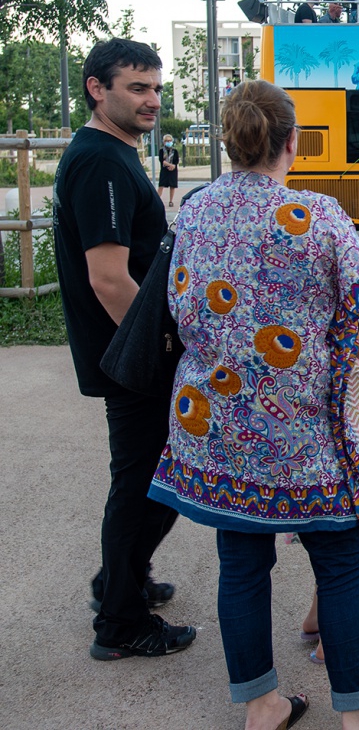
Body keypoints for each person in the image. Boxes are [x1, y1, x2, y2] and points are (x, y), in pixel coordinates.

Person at [146, 80, 359, 730]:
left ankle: (261, 707)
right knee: (342, 560)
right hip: (303, 434)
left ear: (228, 140)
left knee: (242, 563)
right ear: (292, 142)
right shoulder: (319, 214)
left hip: (216, 427)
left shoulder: (194, 209)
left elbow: (182, 305)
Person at [52, 38, 196, 661]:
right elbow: (109, 279)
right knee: (146, 483)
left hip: (129, 354)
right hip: (131, 359)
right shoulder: (101, 162)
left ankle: (121, 580)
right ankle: (119, 622)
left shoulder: (111, 153)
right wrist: (158, 351)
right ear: (97, 88)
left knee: (156, 476)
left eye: (156, 88)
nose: (152, 100)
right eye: (137, 88)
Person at [301, 287, 359, 665]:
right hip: (347, 446)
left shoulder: (320, 320)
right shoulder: (339, 325)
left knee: (330, 537)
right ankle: (332, 636)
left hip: (336, 440)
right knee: (347, 543)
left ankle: (315, 619)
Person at [158, 133, 181, 207]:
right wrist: (169, 165)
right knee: (161, 185)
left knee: (172, 186)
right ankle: (157, 200)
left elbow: (176, 161)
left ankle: (171, 201)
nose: (169, 142)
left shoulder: (175, 151)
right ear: (164, 142)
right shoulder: (161, 151)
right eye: (167, 141)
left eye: (170, 141)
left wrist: (173, 166)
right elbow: (162, 161)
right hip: (164, 170)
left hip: (173, 171)